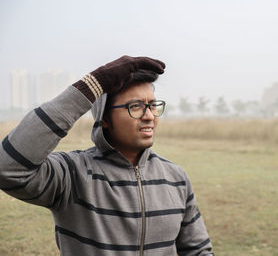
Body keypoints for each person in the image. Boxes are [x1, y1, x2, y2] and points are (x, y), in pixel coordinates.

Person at [0, 56, 213, 256]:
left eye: (152, 105)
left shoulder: (176, 178)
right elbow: (7, 168)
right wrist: (93, 84)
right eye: (136, 106)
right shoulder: (72, 174)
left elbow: (197, 251)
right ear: (104, 119)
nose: (149, 116)